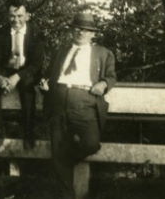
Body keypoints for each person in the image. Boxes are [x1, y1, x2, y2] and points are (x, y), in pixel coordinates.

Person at [41, 13, 116, 199]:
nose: (80, 32)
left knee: (90, 143)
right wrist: (45, 85)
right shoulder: (61, 51)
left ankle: (63, 160)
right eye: (77, 28)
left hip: (85, 100)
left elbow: (111, 76)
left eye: (86, 29)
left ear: (92, 34)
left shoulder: (102, 53)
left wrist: (104, 84)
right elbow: (50, 74)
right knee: (57, 146)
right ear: (72, 30)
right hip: (58, 99)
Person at [0, 0, 45, 149]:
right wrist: (0, 77)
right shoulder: (0, 33)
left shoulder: (37, 34)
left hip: (27, 71)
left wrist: (18, 77)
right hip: (6, 70)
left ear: (27, 16)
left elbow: (37, 64)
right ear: (7, 16)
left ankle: (28, 133)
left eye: (20, 16)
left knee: (27, 85)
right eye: (12, 16)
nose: (16, 20)